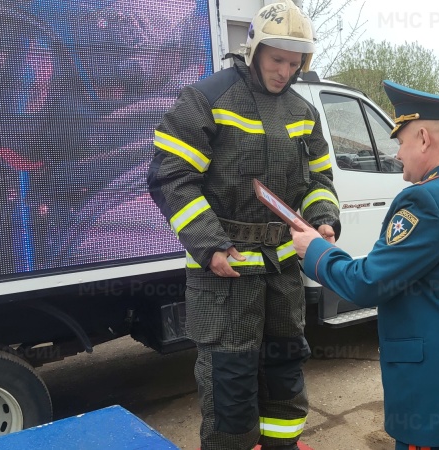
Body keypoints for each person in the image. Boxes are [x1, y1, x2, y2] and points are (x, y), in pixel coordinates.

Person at [146, 1, 340, 449]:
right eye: (277, 60)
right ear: (253, 49)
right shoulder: (206, 100)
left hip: (283, 270)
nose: (285, 72)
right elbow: (171, 176)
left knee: (285, 369)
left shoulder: (303, 112)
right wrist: (209, 245)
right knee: (229, 382)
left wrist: (323, 219)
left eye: (295, 64)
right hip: (225, 274)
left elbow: (319, 179)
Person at [290, 80, 439, 450]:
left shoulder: (424, 201)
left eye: (401, 140)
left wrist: (315, 251)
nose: (396, 153)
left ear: (424, 139)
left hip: (435, 409)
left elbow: (369, 283)